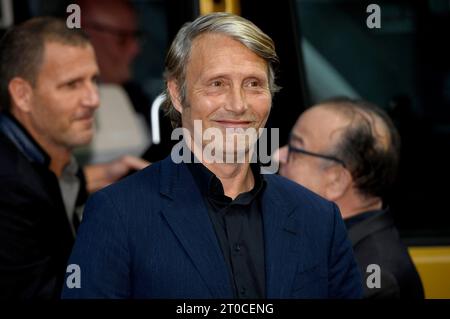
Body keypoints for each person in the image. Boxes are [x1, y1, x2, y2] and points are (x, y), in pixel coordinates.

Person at [62, 13, 362, 299]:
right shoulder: (117, 213)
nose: (237, 104)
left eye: (254, 84)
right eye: (217, 84)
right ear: (178, 95)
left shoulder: (320, 218)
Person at [0, 17, 146, 299]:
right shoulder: (10, 188)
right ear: (22, 95)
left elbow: (63, 180)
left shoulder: (44, 159)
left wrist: (114, 175)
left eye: (93, 80)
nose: (94, 99)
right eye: (72, 85)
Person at [276, 97, 424, 298]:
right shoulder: (330, 239)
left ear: (336, 180)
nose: (278, 155)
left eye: (295, 149)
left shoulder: (373, 281)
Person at [78, 0, 175, 162]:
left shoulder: (137, 98)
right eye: (122, 38)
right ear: (83, 37)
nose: (135, 49)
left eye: (136, 37)